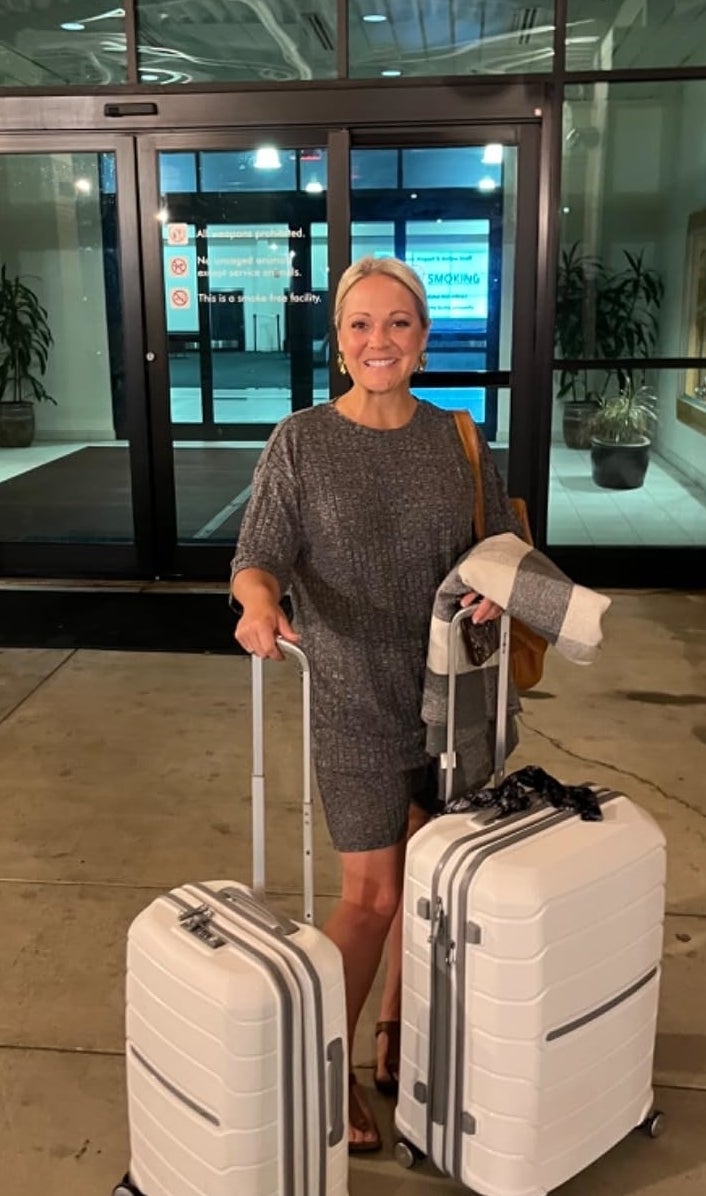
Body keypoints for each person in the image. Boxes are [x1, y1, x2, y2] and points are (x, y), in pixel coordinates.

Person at [230, 255, 520, 1152]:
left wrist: (504, 586)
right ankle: (327, 1066)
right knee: (372, 895)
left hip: (454, 697)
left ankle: (398, 1034)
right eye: (360, 323)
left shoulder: (460, 438)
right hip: (351, 693)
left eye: (398, 322)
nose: (378, 339)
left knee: (432, 887)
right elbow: (260, 548)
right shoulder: (302, 441)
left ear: (424, 340)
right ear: (339, 342)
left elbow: (504, 543)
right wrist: (258, 603)